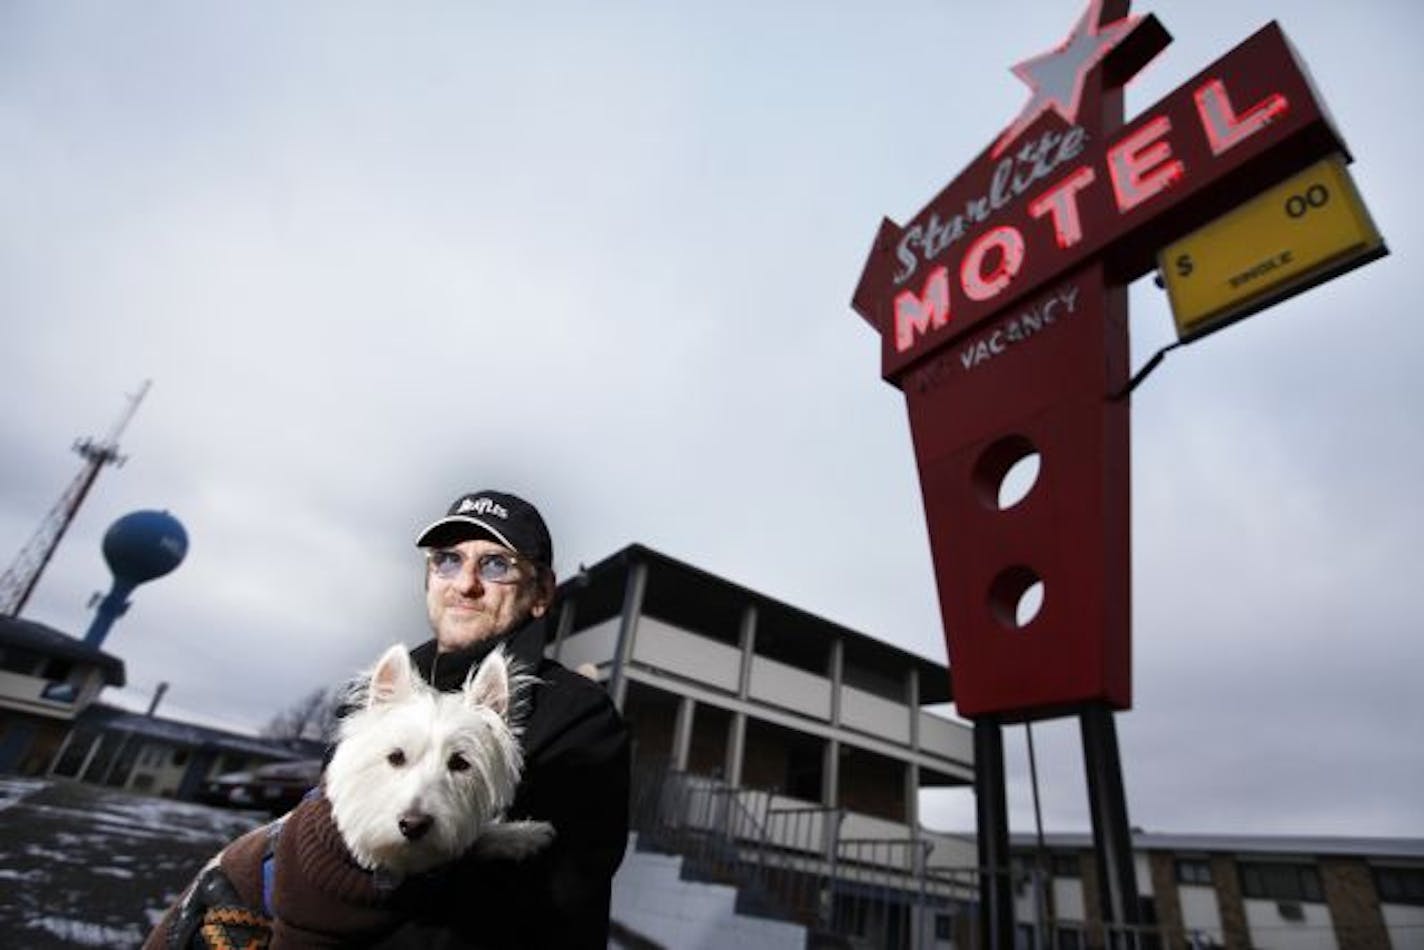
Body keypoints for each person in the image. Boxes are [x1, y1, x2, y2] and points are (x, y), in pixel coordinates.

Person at [374, 489, 631, 949]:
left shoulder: (580, 719)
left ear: (541, 593)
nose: (465, 583)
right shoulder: (380, 694)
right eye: (447, 560)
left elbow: (540, 898)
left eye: (495, 564)